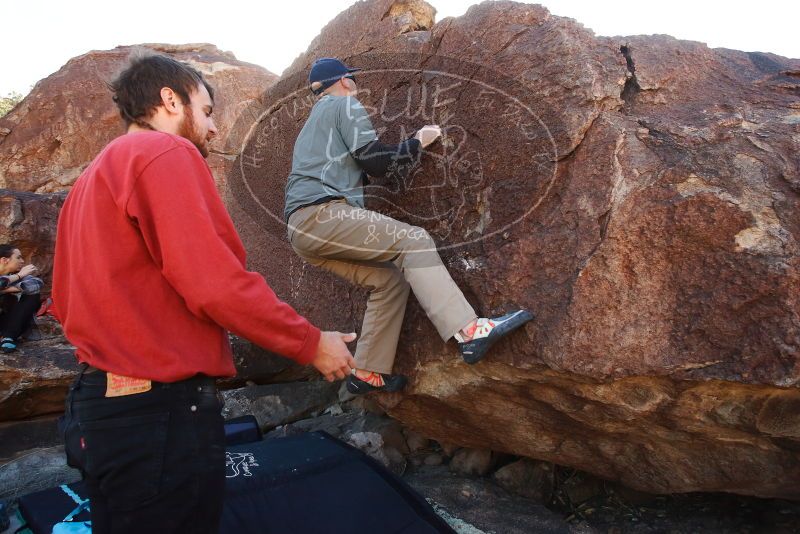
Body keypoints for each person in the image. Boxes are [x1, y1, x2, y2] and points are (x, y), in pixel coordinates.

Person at [52, 52, 355, 533]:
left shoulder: (93, 177)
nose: (213, 131)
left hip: (101, 408)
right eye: (208, 111)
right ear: (170, 99)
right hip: (155, 413)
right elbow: (213, 283)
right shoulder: (164, 153)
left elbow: (64, 300)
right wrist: (309, 342)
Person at [285, 58, 534, 395]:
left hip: (303, 231)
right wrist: (419, 141)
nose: (355, 86)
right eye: (353, 80)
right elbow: (374, 161)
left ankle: (369, 371)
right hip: (324, 215)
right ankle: (469, 331)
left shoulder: (313, 122)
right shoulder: (344, 104)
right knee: (413, 240)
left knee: (390, 281)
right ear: (344, 80)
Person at [0, 244, 42, 353]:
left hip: (7, 322)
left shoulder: (20, 275)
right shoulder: (20, 275)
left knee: (33, 295)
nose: (22, 261)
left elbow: (36, 285)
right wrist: (19, 276)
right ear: (5, 260)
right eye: (18, 257)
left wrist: (5, 289)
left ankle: (8, 336)